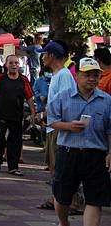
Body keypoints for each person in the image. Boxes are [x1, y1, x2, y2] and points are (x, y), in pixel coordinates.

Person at [48, 57, 111, 226]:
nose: (92, 79)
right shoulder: (63, 97)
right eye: (87, 74)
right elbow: (51, 120)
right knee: (62, 196)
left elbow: (109, 130)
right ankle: (63, 222)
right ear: (78, 76)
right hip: (68, 152)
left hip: (96, 155)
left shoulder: (106, 100)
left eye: (96, 75)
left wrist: (110, 152)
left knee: (95, 199)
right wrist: (68, 126)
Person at [38, 40, 81, 212]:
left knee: (62, 167)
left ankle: (73, 201)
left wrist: (47, 115)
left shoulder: (63, 75)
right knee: (54, 166)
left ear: (52, 55)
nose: (42, 58)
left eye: (44, 54)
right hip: (52, 127)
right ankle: (58, 197)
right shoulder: (56, 75)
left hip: (59, 128)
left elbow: (66, 102)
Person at [0, 55, 36, 176]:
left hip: (16, 116)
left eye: (16, 63)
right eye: (11, 63)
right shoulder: (0, 78)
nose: (14, 65)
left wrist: (33, 113)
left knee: (15, 142)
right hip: (1, 115)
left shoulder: (24, 80)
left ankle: (13, 167)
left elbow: (29, 97)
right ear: (6, 65)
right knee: (0, 139)